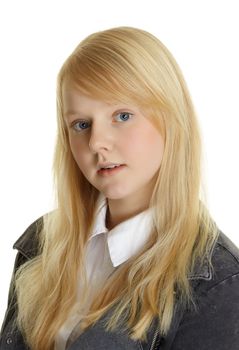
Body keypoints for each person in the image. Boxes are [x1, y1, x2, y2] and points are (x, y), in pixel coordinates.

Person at [0, 26, 239, 350]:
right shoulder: (43, 244)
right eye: (81, 125)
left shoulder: (217, 281)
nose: (97, 142)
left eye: (122, 115)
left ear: (171, 117)